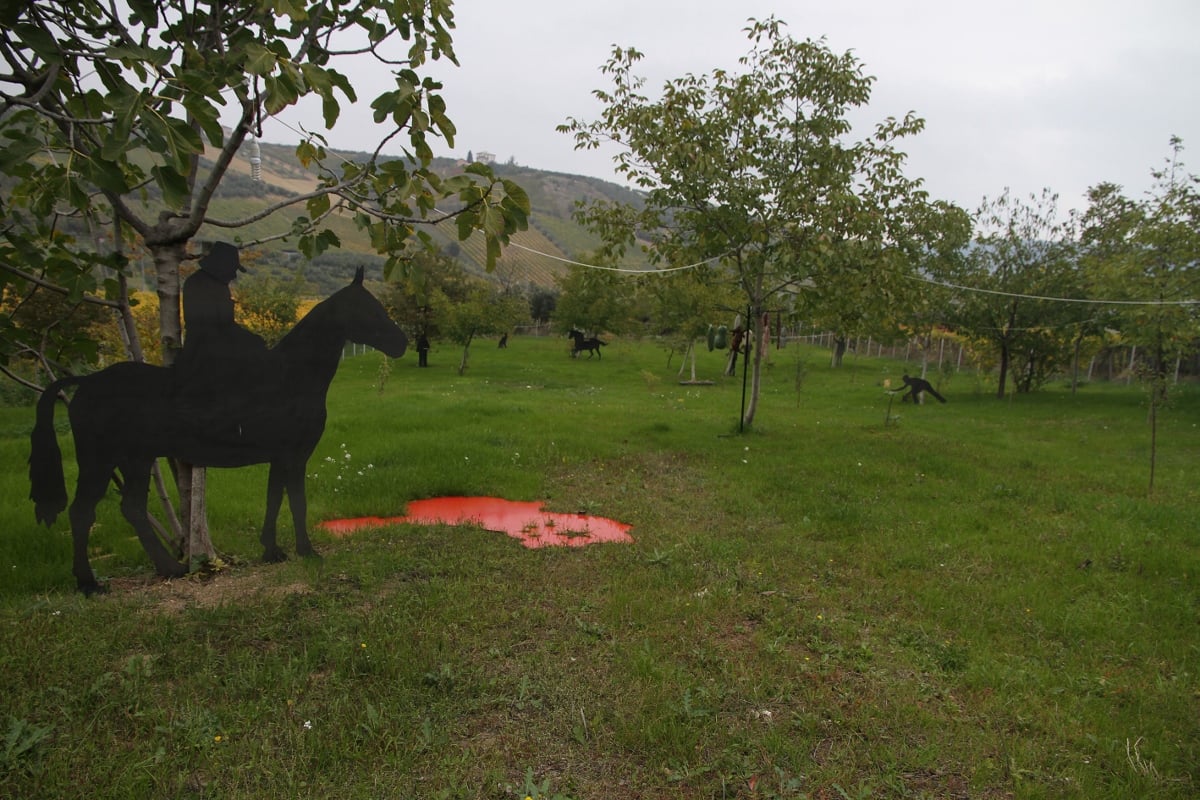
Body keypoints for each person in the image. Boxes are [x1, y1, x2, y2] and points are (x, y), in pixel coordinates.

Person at [175, 242, 269, 432]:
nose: (233, 275)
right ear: (222, 266)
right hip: (208, 348)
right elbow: (219, 325)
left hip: (212, 343)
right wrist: (250, 340)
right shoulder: (206, 285)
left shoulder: (203, 283)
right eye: (231, 269)